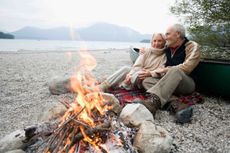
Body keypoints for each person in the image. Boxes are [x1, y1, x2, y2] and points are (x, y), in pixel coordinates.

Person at [141, 24, 201, 123]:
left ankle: (153, 103)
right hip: (169, 83)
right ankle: (176, 104)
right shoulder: (167, 47)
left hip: (186, 83)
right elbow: (155, 49)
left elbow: (187, 67)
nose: (165, 37)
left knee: (175, 70)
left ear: (177, 34)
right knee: (147, 81)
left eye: (167, 34)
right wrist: (144, 51)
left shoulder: (192, 46)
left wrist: (165, 70)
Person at [97, 33, 167, 92]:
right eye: (154, 41)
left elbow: (161, 71)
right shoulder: (146, 51)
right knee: (126, 69)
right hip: (137, 74)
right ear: (151, 42)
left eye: (159, 41)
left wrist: (149, 73)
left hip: (147, 78)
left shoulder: (165, 55)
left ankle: (122, 85)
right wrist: (130, 74)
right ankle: (103, 86)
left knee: (139, 73)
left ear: (164, 42)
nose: (156, 43)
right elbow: (137, 65)